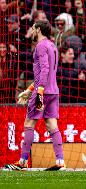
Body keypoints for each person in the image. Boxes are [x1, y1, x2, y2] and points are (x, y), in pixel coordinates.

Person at [5, 20, 65, 171]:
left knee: (29, 124)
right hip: (53, 91)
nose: (31, 31)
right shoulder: (52, 46)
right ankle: (60, 162)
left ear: (38, 30)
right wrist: (29, 89)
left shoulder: (40, 46)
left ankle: (23, 162)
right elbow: (47, 71)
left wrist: (38, 92)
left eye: (32, 28)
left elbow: (44, 70)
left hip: (43, 92)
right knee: (52, 125)